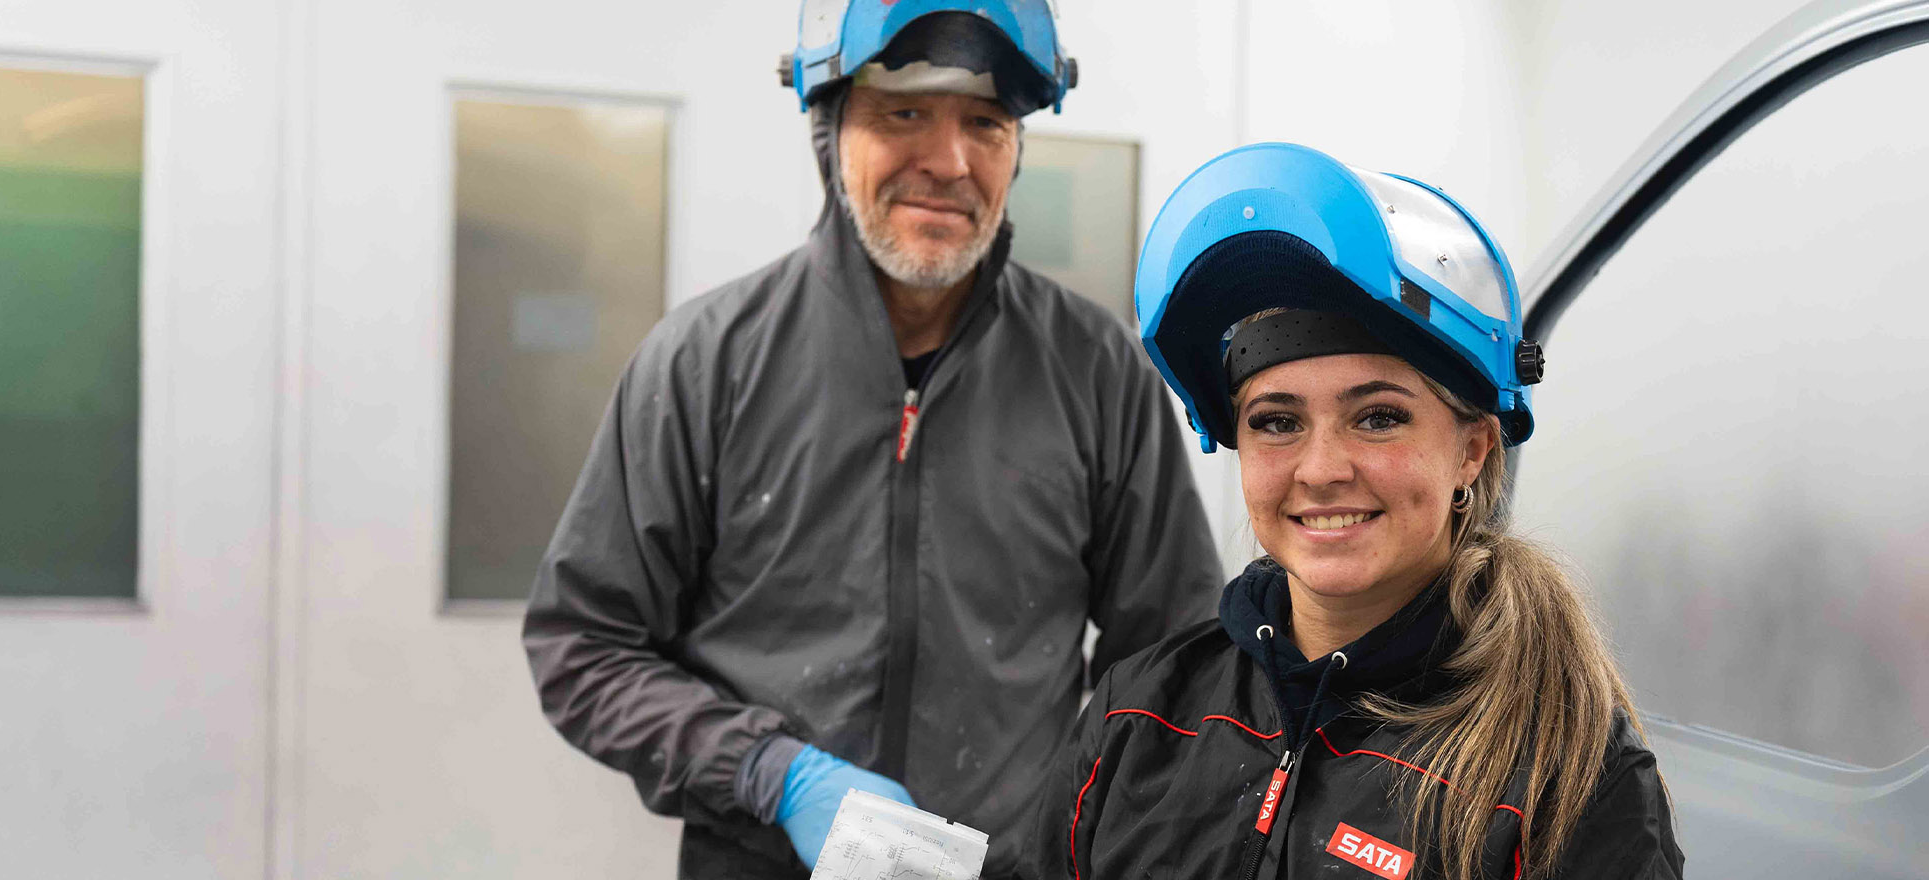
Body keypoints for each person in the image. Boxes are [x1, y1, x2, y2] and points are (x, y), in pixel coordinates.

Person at [521, 4, 1221, 878]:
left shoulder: (1096, 373)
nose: (949, 161)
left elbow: (1173, 665)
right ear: (829, 128)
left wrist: (1073, 825)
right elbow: (583, 647)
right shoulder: (704, 364)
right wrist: (773, 774)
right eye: (904, 113)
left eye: (987, 124)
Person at [1016, 143, 1684, 879]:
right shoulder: (1139, 714)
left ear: (1472, 450)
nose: (1323, 469)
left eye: (1378, 418)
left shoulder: (1564, 773)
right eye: (1276, 421)